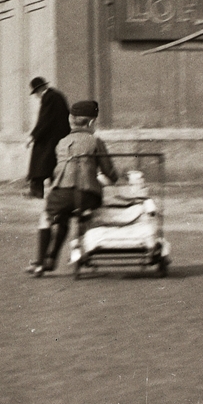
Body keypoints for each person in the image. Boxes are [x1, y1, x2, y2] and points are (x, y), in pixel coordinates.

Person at [32, 99, 118, 275]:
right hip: (88, 196)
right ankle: (80, 247)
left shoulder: (62, 142)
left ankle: (42, 261)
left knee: (49, 217)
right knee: (81, 211)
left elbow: (56, 172)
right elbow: (111, 174)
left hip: (61, 194)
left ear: (71, 120)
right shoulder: (96, 141)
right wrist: (100, 180)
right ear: (92, 122)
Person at [23, 76, 70, 272]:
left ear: (40, 90)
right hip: (60, 137)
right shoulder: (56, 96)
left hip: (53, 138)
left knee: (39, 155)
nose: (36, 96)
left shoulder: (49, 98)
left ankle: (36, 187)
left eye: (36, 93)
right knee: (44, 158)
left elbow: (45, 120)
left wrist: (33, 136)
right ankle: (38, 186)